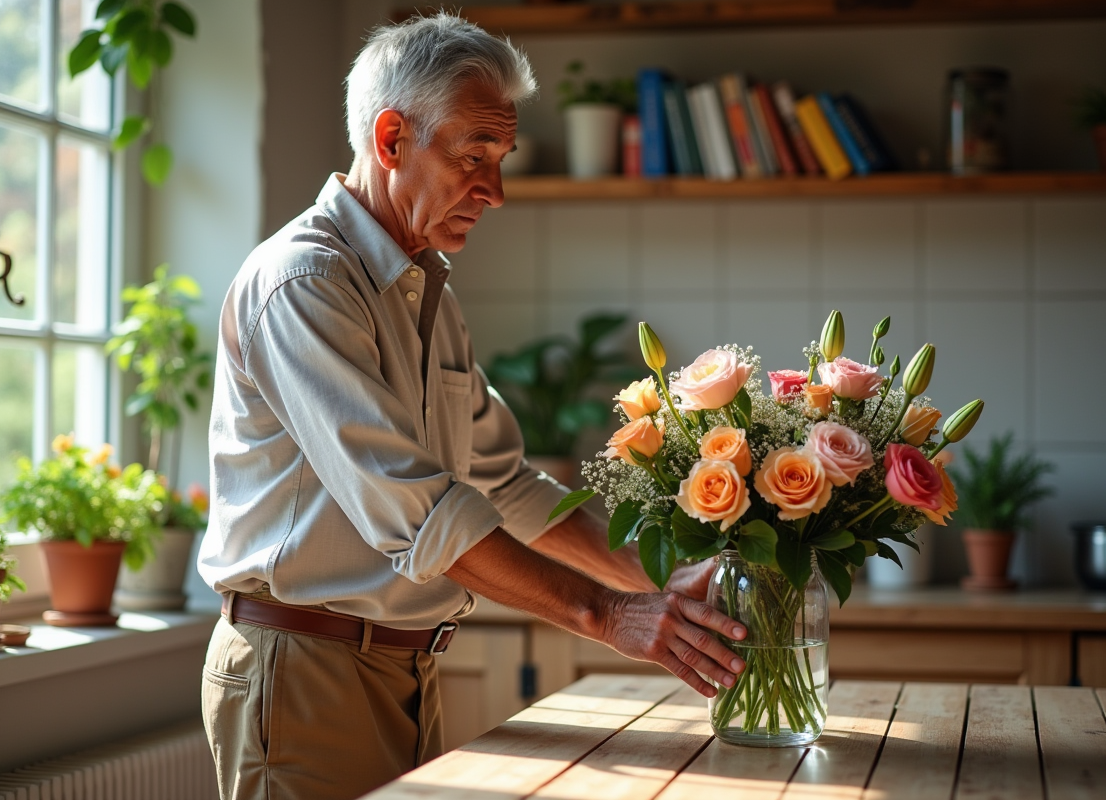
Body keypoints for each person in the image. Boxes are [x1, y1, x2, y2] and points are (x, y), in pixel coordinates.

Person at [197, 13, 746, 800]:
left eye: (501, 158)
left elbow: (509, 485)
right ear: (391, 141)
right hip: (302, 674)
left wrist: (660, 579)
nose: (494, 191)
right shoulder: (305, 284)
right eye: (473, 155)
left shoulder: (427, 291)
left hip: (405, 667)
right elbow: (422, 513)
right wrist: (609, 615)